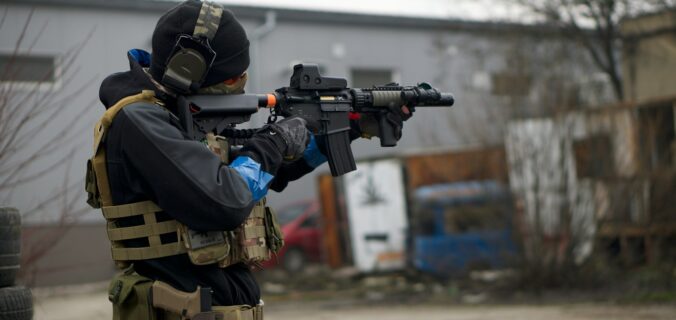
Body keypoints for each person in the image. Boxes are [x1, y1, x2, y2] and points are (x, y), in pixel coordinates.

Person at [86, 1, 411, 319]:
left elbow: (263, 171)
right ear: (188, 70)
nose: (240, 84)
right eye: (232, 78)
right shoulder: (141, 122)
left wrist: (346, 129)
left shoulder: (176, 121)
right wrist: (273, 141)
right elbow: (226, 198)